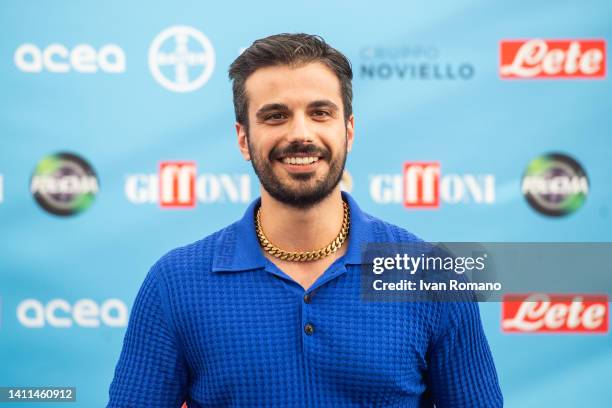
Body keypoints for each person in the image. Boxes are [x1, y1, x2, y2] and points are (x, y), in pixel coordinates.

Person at [107, 33, 503, 407]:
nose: (301, 133)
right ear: (243, 138)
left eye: (320, 113)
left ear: (348, 130)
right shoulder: (176, 282)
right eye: (276, 116)